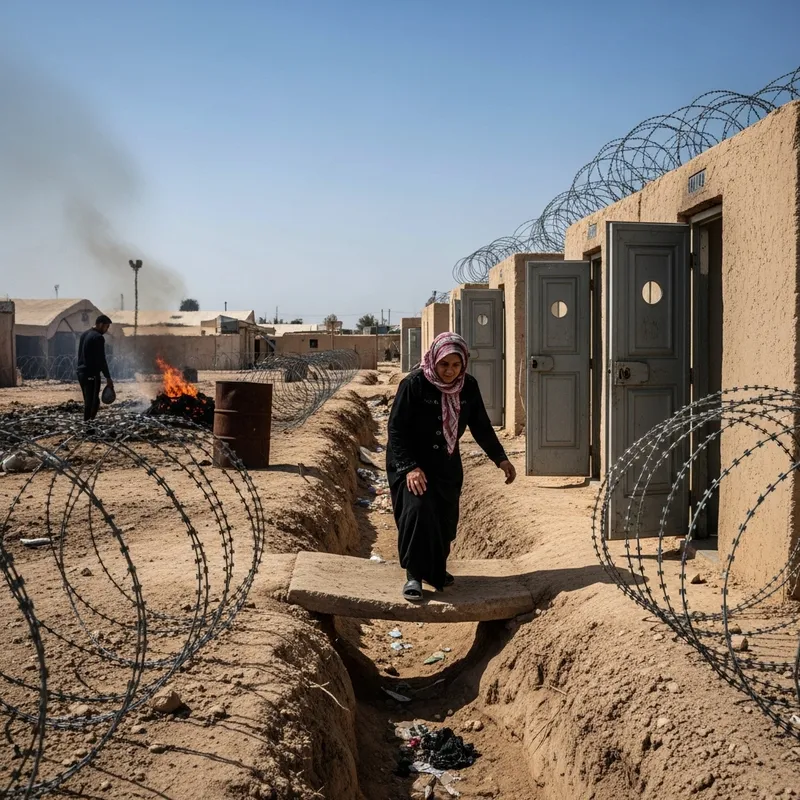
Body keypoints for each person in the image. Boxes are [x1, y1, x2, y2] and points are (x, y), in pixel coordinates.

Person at [387, 332, 516, 602]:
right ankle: (414, 575)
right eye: (444, 365)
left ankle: (436, 570)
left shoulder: (468, 386)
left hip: (446, 463)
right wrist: (409, 467)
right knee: (418, 512)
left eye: (456, 365)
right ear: (434, 360)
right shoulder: (414, 384)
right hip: (412, 461)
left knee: (445, 520)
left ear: (464, 364)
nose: (449, 371)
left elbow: (481, 425)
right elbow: (396, 430)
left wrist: (500, 458)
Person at [76, 314, 114, 422]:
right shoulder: (98, 338)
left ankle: (88, 425)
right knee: (93, 402)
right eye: (106, 327)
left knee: (89, 400)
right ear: (101, 324)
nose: (107, 330)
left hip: (81, 372)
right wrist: (108, 377)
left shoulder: (84, 334)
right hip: (91, 373)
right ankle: (89, 426)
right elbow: (101, 359)